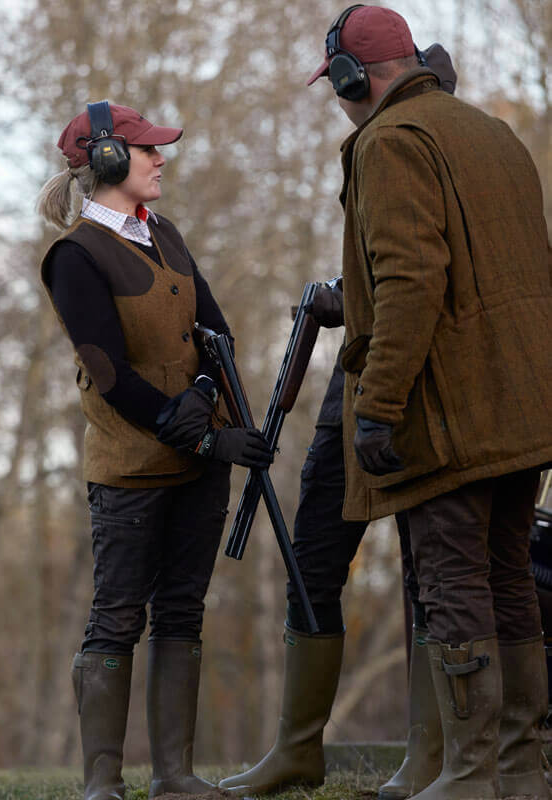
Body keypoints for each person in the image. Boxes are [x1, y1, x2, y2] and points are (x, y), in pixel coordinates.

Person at [314, 5, 551, 799]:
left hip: (450, 415)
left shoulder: (388, 143)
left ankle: (469, 774)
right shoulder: (493, 132)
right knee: (508, 576)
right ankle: (519, 771)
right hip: (524, 408)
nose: (338, 99)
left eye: (337, 85)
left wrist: (378, 404)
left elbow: (412, 282)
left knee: (452, 584)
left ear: (354, 77)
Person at [220, 41, 458, 800]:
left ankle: (428, 758)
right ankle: (296, 751)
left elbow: (432, 287)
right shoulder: (378, 151)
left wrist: (346, 304)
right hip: (353, 387)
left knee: (432, 576)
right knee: (311, 557)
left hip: (423, 392)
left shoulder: (435, 149)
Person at [36, 101, 273, 800]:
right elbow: (108, 376)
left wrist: (204, 393)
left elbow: (215, 330)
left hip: (200, 461)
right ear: (107, 160)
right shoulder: (75, 255)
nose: (161, 158)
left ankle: (174, 776)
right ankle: (100, 784)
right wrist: (202, 431)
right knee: (117, 615)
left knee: (182, 612)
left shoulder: (163, 233)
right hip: (132, 466)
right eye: (146, 150)